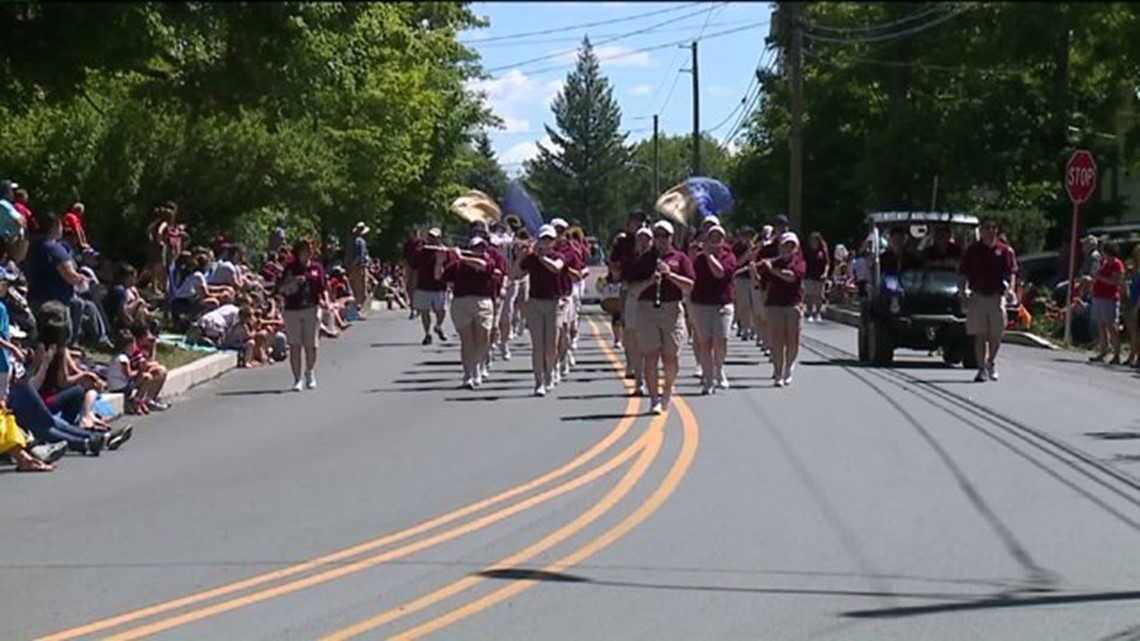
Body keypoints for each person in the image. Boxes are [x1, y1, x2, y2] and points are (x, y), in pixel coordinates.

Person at [629, 220, 695, 415]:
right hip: (647, 310)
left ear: (671, 238)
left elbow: (690, 285)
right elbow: (633, 289)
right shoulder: (644, 259)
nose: (660, 240)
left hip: (672, 310)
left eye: (664, 236)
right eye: (657, 236)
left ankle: (667, 390)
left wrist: (671, 275)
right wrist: (650, 281)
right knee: (651, 356)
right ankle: (654, 399)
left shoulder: (680, 258)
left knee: (671, 357)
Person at [958, 217, 1018, 383]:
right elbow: (963, 272)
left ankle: (991, 361)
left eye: (994, 228)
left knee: (996, 334)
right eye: (987, 228)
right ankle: (981, 368)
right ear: (982, 231)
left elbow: (1011, 272)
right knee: (980, 335)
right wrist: (962, 291)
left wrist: (1011, 289)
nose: (991, 231)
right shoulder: (973, 250)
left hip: (997, 296)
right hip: (978, 295)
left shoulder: (1005, 251)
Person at [512, 225, 566, 396]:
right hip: (535, 303)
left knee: (551, 346)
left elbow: (556, 268)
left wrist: (540, 256)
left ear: (554, 241)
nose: (546, 243)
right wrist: (519, 258)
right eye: (543, 239)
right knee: (538, 346)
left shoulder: (558, 256)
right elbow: (514, 275)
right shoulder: (531, 259)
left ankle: (549, 374)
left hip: (554, 304)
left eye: (549, 240)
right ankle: (538, 382)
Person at [440, 236, 498, 389]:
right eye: (476, 248)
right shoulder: (457, 265)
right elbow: (440, 277)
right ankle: (468, 373)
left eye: (482, 248)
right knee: (467, 340)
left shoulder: (488, 261)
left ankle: (478, 367)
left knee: (483, 338)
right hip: (461, 302)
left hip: (483, 302)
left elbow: (483, 266)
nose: (480, 251)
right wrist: (440, 261)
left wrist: (461, 257)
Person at [754, 232, 806, 387]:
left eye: (791, 245)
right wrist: (753, 272)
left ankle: (788, 368)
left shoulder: (799, 262)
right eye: (785, 245)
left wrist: (772, 270)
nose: (788, 248)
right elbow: (760, 283)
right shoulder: (771, 263)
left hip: (793, 304)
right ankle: (778, 371)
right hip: (774, 304)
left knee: (792, 340)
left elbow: (792, 277)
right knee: (777, 340)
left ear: (795, 248)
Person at [690, 224, 737, 395]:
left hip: (723, 304)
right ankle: (708, 380)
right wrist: (695, 255)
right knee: (705, 342)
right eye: (712, 237)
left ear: (723, 240)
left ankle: (719, 369)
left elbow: (720, 273)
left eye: (719, 237)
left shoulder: (729, 256)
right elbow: (690, 273)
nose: (715, 240)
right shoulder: (700, 258)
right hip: (701, 303)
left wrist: (709, 256)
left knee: (721, 340)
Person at [280, 238, 328, 391]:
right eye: (305, 250)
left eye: (310, 250)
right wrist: (294, 281)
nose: (308, 253)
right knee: (295, 345)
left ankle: (309, 372)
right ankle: (297, 379)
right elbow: (281, 288)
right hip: (292, 309)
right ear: (298, 251)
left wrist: (326, 301)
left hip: (311, 307)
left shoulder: (316, 268)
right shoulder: (290, 268)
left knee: (311, 345)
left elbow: (322, 287)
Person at [610, 210, 650, 390]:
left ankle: (646, 365)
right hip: (628, 287)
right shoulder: (623, 243)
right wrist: (616, 274)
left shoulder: (651, 240)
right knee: (629, 328)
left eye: (639, 222)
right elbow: (614, 263)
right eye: (633, 222)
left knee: (647, 330)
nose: (635, 225)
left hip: (649, 289)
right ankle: (631, 362)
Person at [411, 228, 454, 345]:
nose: (432, 239)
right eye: (430, 236)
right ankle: (427, 334)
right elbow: (414, 264)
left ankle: (438, 326)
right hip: (423, 285)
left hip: (440, 286)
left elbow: (451, 266)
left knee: (442, 310)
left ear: (439, 238)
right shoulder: (423, 250)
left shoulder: (445, 251)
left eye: (434, 237)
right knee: (425, 312)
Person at [1089, 240, 1125, 364]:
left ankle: (1117, 354)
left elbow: (1115, 282)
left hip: (1109, 298)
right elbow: (1096, 276)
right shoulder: (1103, 263)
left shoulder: (1117, 264)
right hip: (1098, 296)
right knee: (1101, 326)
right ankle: (1103, 351)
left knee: (1111, 326)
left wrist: (1100, 278)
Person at [803, 231, 829, 323]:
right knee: (809, 295)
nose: (813, 242)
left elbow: (827, 263)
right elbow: (804, 261)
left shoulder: (823, 251)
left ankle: (818, 313)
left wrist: (825, 273)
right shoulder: (807, 250)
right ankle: (810, 312)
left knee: (819, 296)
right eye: (812, 240)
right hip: (809, 275)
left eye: (815, 240)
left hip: (819, 276)